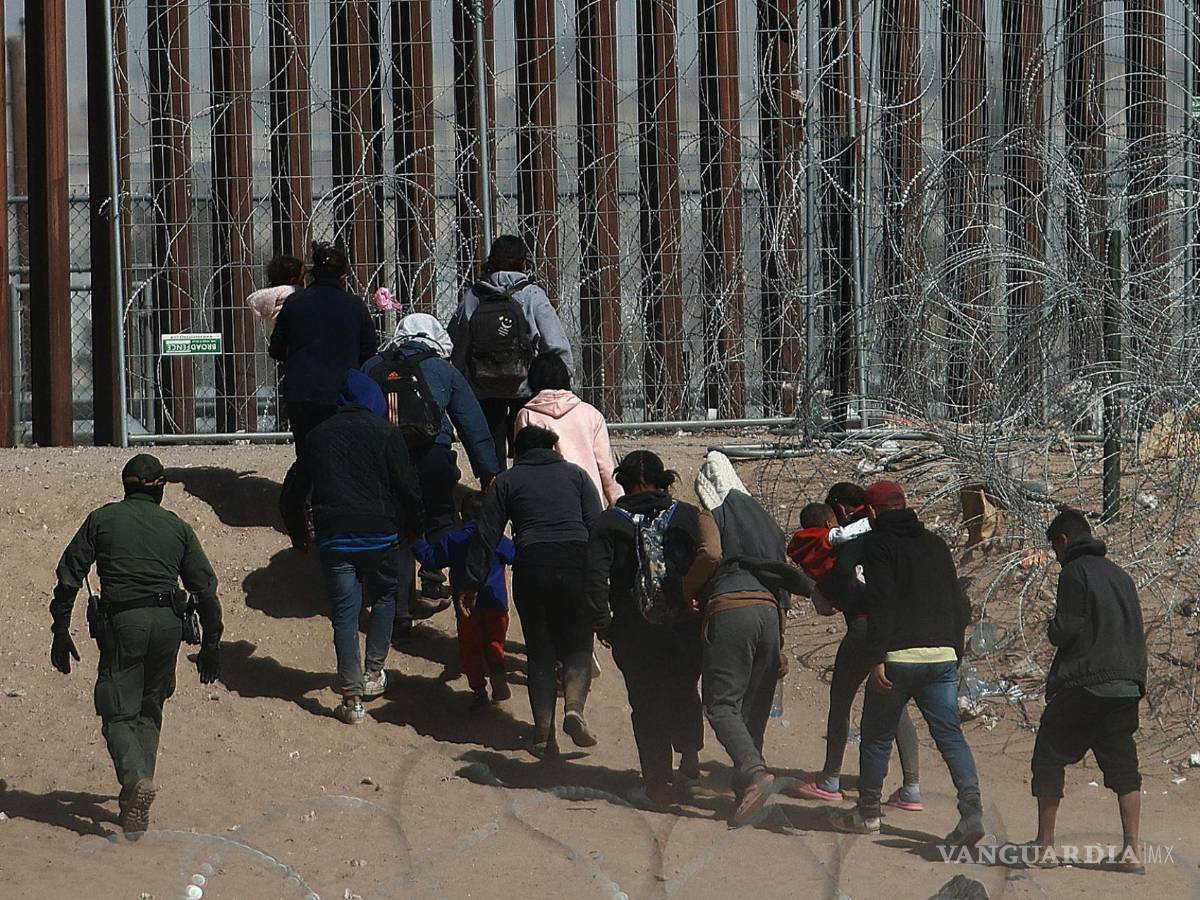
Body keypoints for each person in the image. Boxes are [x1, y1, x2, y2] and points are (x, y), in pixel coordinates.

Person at [49, 454, 223, 833]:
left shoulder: (102, 519)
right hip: (168, 625)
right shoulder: (177, 528)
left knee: (115, 710)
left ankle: (134, 781)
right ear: (160, 488)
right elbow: (205, 590)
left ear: (125, 485)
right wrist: (211, 643)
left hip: (123, 623)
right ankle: (134, 798)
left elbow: (69, 577)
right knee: (150, 707)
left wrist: (60, 629)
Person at [832, 481, 980, 846]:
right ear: (906, 504)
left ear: (870, 512)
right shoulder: (935, 544)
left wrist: (877, 657)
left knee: (877, 734)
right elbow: (958, 603)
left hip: (898, 657)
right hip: (942, 656)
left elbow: (881, 602)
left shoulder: (878, 545)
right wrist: (954, 653)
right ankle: (972, 811)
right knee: (950, 737)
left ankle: (868, 813)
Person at [282, 371, 424, 725]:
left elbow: (294, 489)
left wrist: (298, 533)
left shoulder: (319, 436)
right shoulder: (387, 433)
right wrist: (414, 529)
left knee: (345, 615)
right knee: (386, 597)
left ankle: (351, 697)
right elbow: (407, 486)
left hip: (336, 537)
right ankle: (374, 672)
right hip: (381, 533)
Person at [586, 450, 720, 806]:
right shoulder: (688, 516)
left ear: (624, 482)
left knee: (646, 704)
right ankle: (690, 761)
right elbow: (709, 564)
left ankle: (657, 786)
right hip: (684, 624)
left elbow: (595, 578)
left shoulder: (608, 522)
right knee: (684, 687)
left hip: (634, 628)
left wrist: (604, 625)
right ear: (664, 480)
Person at [463, 425, 602, 758]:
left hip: (532, 566)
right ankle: (573, 707)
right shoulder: (578, 476)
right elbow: (598, 527)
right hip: (575, 563)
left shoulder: (507, 481)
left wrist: (471, 581)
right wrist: (601, 580)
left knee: (540, 651)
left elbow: (487, 534)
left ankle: (543, 736)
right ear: (554, 447)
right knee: (579, 645)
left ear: (519, 453)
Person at [1024, 508, 1147, 872]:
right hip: (1126, 684)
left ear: (1063, 541)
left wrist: (1051, 627)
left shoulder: (1074, 573)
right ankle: (1132, 852)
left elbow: (1068, 628)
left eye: (1055, 548)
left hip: (1085, 682)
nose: (1056, 556)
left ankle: (1044, 846)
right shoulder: (1122, 576)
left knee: (1048, 756)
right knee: (1124, 766)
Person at [786, 487, 923, 811]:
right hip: (897, 628)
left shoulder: (834, 543)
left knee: (841, 699)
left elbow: (826, 604)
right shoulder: (888, 541)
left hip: (863, 628)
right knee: (896, 703)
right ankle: (911, 788)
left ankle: (830, 779)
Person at [694, 450, 812, 826]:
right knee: (753, 708)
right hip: (769, 614)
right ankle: (747, 791)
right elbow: (780, 579)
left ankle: (755, 774)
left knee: (720, 705)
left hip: (731, 608)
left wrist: (688, 591)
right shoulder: (766, 522)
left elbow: (710, 553)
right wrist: (779, 643)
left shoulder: (713, 513)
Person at [364, 313, 501, 607]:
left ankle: (398, 609)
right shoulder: (443, 369)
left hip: (386, 457)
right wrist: (488, 471)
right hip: (433, 455)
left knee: (398, 528)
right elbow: (472, 424)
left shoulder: (373, 367)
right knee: (440, 517)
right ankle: (436, 583)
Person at [271, 242, 379, 547]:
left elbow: (276, 348)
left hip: (302, 392)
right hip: (341, 394)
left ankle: (294, 509)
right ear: (344, 273)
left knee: (308, 453)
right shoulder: (354, 306)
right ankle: (325, 517)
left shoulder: (296, 303)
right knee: (338, 455)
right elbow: (369, 352)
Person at [448, 235, 573, 466]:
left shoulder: (474, 296)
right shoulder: (531, 294)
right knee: (526, 449)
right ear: (523, 262)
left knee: (490, 451)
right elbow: (555, 343)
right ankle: (522, 488)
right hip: (524, 386)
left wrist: (458, 384)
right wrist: (563, 381)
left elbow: (458, 343)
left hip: (483, 385)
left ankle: (494, 490)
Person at [414, 491, 516, 711]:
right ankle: (498, 673)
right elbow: (514, 555)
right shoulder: (497, 538)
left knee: (470, 649)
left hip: (467, 608)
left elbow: (430, 558)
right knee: (494, 642)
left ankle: (479, 692)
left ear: (461, 515)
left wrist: (416, 540)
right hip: (496, 603)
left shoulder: (454, 539)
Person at [513, 354, 622, 506]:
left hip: (545, 503)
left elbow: (522, 465)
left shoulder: (527, 415)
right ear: (566, 378)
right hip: (589, 501)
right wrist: (617, 504)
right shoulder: (591, 414)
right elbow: (606, 468)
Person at [246, 253, 306, 324]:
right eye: (302, 277)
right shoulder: (294, 301)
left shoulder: (272, 302)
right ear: (292, 280)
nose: (304, 281)